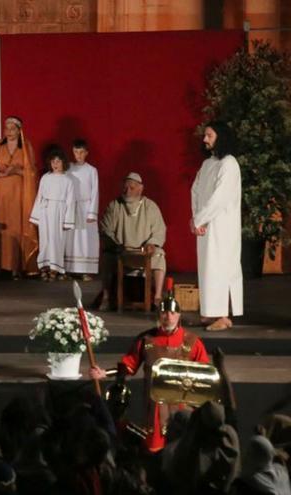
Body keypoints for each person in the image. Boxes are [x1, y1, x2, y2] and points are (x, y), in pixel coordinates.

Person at [89, 282, 209, 451]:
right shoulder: (146, 340)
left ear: (179, 315)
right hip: (154, 406)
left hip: (182, 405)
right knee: (154, 447)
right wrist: (104, 373)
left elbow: (204, 374)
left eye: (172, 313)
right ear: (159, 314)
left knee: (182, 448)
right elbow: (128, 365)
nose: (168, 316)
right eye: (164, 312)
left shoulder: (192, 342)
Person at [192, 121, 243, 332]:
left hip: (222, 225)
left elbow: (219, 198)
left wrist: (200, 219)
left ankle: (223, 315)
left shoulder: (229, 164)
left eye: (209, 135)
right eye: (205, 135)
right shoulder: (208, 164)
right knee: (207, 268)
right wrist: (196, 219)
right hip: (205, 225)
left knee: (221, 266)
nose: (205, 139)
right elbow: (195, 191)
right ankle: (210, 312)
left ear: (220, 137)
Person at [96, 172, 167, 310]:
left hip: (144, 252)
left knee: (159, 255)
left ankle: (157, 297)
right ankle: (106, 296)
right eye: (125, 188)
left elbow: (159, 230)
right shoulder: (115, 206)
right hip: (121, 250)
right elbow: (105, 229)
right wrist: (116, 245)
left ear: (140, 189)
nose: (128, 191)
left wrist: (151, 243)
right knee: (106, 256)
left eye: (132, 188)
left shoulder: (150, 206)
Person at [0, 116, 38, 279]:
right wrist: (2, 173)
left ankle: (16, 265)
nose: (9, 132)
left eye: (12, 128)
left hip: (18, 192)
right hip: (0, 192)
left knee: (16, 226)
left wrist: (16, 171)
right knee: (1, 227)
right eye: (6, 128)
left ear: (19, 129)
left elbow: (32, 171)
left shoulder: (26, 146)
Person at [29, 147, 75, 281]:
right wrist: (36, 216)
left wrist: (67, 220)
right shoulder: (45, 178)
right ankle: (44, 267)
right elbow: (40, 196)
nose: (55, 164)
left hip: (59, 212)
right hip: (45, 210)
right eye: (53, 161)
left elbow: (70, 202)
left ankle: (55, 268)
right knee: (45, 240)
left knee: (57, 240)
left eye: (58, 161)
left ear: (63, 162)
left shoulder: (68, 180)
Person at [64, 139, 100, 279]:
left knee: (85, 239)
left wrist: (92, 212)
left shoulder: (92, 170)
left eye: (81, 152)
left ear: (86, 153)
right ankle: (70, 269)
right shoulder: (68, 168)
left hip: (86, 208)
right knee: (71, 238)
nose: (78, 155)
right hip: (72, 207)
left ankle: (86, 270)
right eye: (75, 152)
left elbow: (95, 191)